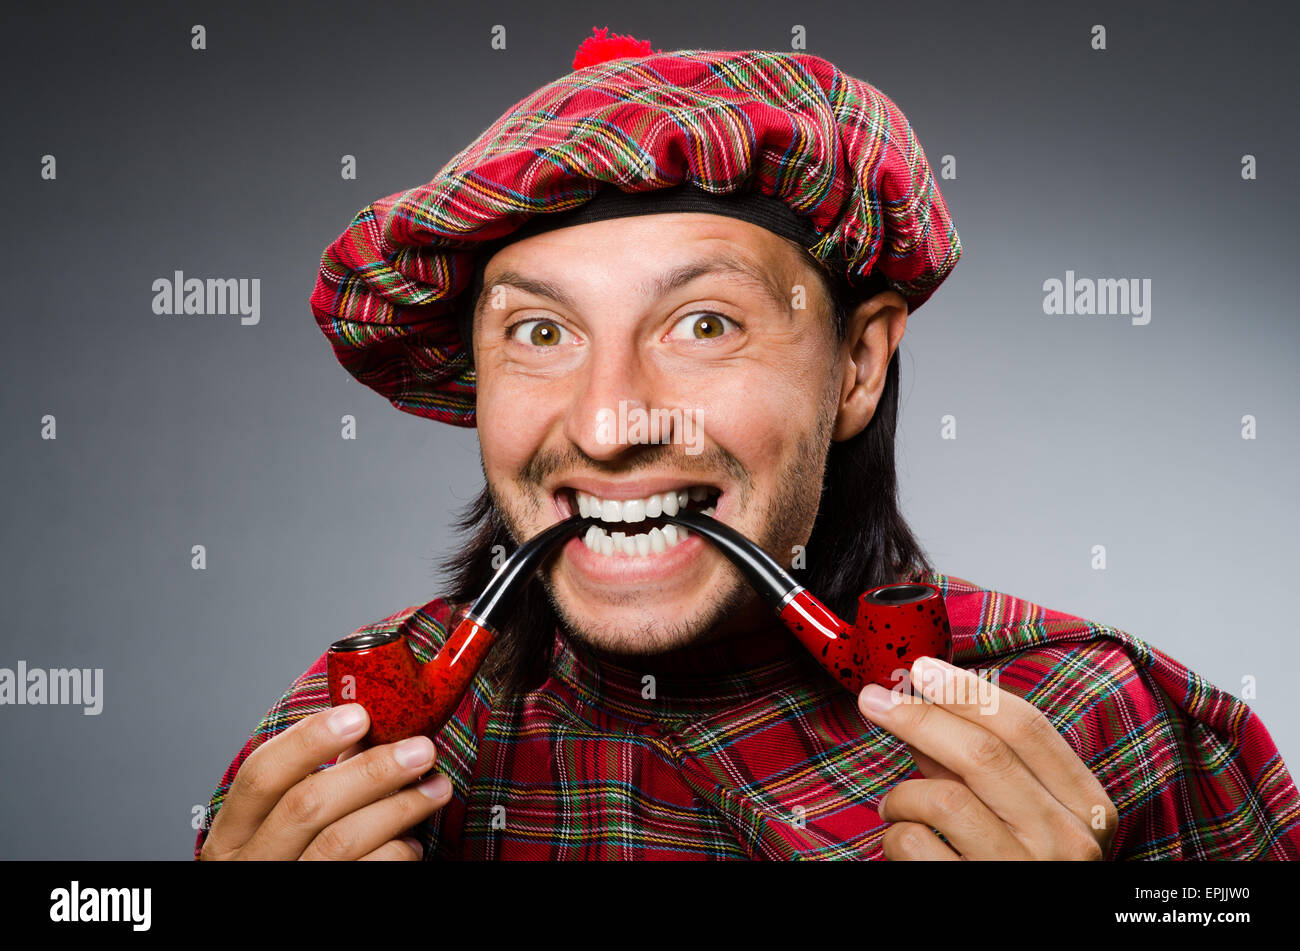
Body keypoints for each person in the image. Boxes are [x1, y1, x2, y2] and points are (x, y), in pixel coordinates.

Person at [194, 28, 1300, 861]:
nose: (608, 423)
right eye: (540, 332)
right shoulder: (344, 752)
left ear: (857, 365)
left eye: (705, 324)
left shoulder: (1106, 724)